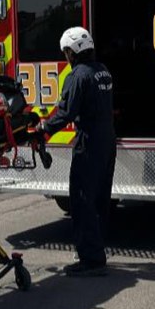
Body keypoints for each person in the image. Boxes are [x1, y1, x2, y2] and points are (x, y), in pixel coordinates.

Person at [36, 26, 116, 276]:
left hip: (89, 142)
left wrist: (44, 128)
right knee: (100, 199)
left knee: (81, 200)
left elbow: (66, 112)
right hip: (107, 140)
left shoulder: (77, 76)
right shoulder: (103, 71)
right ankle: (97, 248)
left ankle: (91, 260)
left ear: (72, 52)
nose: (66, 56)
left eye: (66, 52)